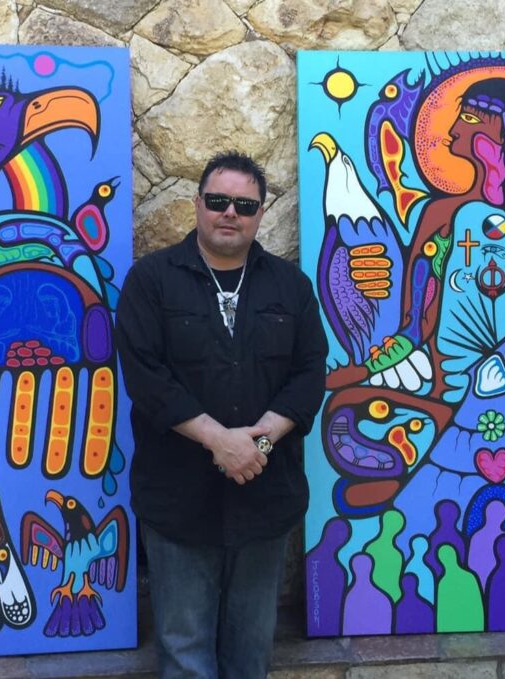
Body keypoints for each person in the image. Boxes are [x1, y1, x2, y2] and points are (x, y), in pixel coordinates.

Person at [114, 150, 328, 678]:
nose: (230, 212)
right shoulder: (151, 281)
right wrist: (219, 441)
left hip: (265, 497)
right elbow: (146, 377)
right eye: (218, 201)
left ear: (260, 213)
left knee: (251, 651)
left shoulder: (291, 287)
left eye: (244, 205)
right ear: (197, 204)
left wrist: (257, 443)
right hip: (178, 500)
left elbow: (309, 373)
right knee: (184, 649)